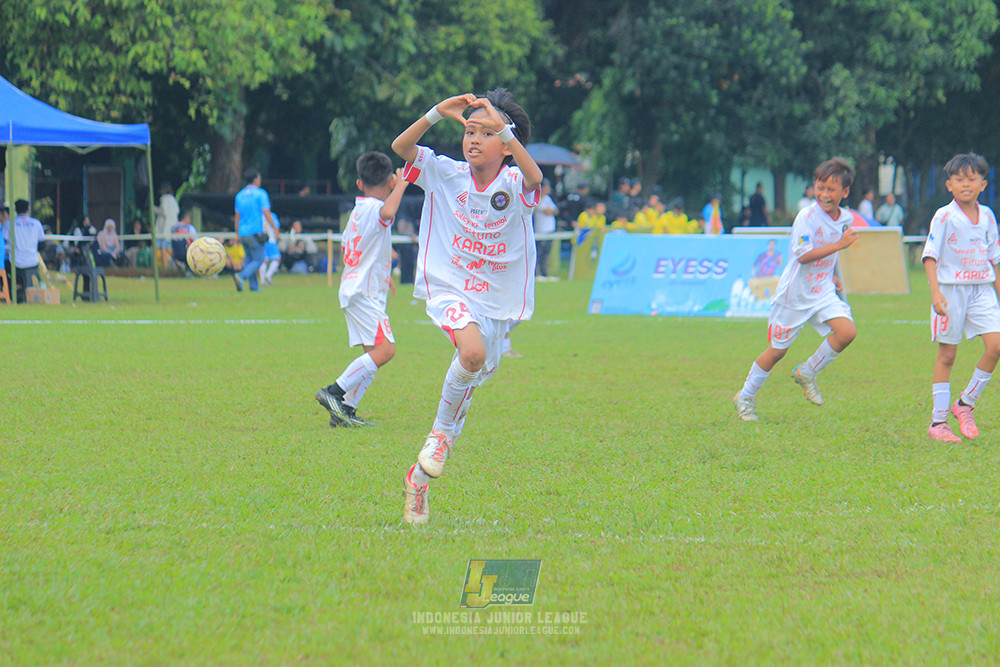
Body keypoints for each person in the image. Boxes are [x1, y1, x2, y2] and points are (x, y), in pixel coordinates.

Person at [391, 88, 543, 525]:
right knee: (471, 354)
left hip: (496, 302)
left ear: (507, 143)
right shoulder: (445, 172)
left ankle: (418, 478)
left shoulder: (515, 183)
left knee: (471, 380)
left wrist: (506, 129)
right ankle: (437, 438)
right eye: (470, 131)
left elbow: (534, 179)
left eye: (487, 132)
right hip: (450, 285)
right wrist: (437, 113)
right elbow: (402, 148)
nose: (473, 139)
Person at [733, 158, 860, 421]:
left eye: (831, 189)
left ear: (845, 192)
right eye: (820, 187)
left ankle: (808, 371)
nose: (824, 194)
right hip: (795, 295)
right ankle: (745, 397)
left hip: (822, 290)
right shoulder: (806, 217)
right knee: (777, 351)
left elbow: (830, 251)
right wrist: (839, 245)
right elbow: (803, 256)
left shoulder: (845, 218)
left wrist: (833, 275)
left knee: (847, 332)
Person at [315, 152, 410, 428]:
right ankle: (333, 392)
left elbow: (355, 248)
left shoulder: (357, 212)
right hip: (363, 293)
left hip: (357, 288)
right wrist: (403, 184)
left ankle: (344, 410)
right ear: (391, 180)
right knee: (386, 351)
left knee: (373, 353)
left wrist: (382, 273)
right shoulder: (374, 208)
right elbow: (388, 213)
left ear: (359, 183)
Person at [921, 153, 1000, 443]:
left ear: (983, 184)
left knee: (996, 346)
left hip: (982, 290)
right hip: (951, 290)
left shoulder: (989, 216)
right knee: (948, 355)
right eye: (959, 179)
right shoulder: (944, 215)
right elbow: (930, 256)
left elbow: (994, 260)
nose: (965, 184)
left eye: (971, 178)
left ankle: (965, 404)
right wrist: (935, 292)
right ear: (949, 185)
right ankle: (938, 424)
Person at [233, 167, 278, 292]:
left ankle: (254, 287)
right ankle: (241, 276)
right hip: (255, 232)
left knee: (249, 260)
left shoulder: (240, 195)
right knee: (259, 259)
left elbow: (237, 216)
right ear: (256, 179)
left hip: (242, 232)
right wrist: (274, 228)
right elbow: (266, 213)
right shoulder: (261, 194)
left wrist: (237, 233)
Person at [10, 199, 46, 301]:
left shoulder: (10, 224)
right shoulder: (36, 223)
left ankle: (13, 295)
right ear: (28, 209)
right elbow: (42, 243)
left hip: (16, 263)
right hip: (33, 261)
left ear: (15, 210)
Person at [534, 179, 558, 278]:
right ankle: (536, 273)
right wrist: (550, 211)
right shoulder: (537, 199)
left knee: (546, 253)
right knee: (539, 252)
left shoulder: (548, 199)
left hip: (550, 230)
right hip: (541, 230)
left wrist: (550, 211)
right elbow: (547, 211)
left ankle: (544, 273)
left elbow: (555, 210)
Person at [154, 183, 180, 268]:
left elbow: (163, 211)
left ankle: (165, 267)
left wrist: (154, 209)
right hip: (172, 227)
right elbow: (177, 211)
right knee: (169, 248)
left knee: (163, 248)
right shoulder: (173, 199)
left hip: (164, 229)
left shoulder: (164, 199)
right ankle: (178, 264)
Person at [258, 213, 281, 286]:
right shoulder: (272, 215)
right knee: (277, 259)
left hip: (262, 240)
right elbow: (276, 226)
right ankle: (268, 275)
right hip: (271, 240)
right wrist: (277, 234)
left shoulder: (258, 216)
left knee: (264, 260)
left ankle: (262, 280)